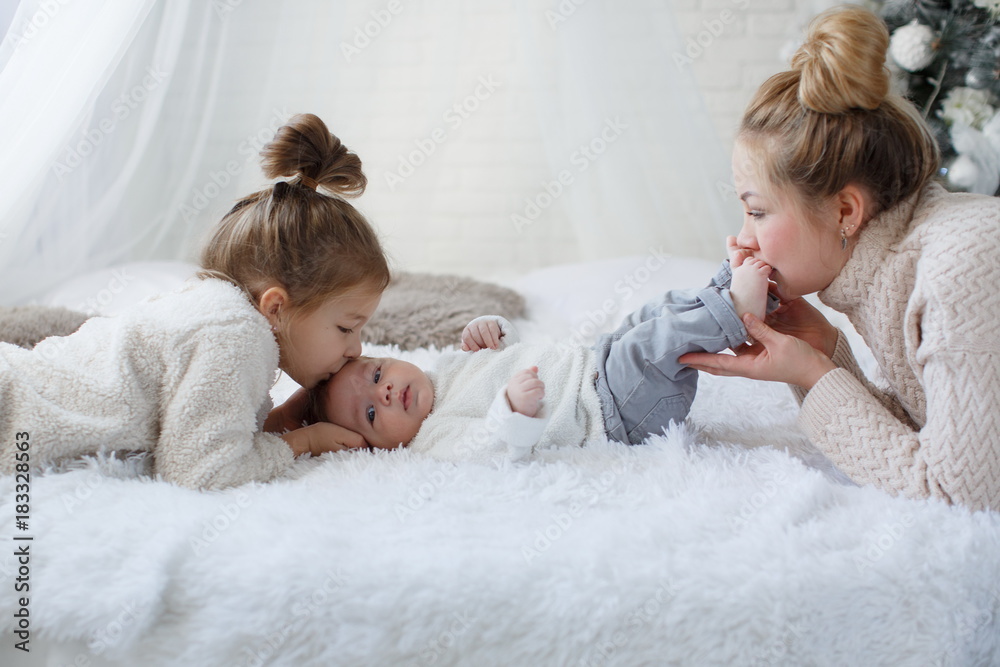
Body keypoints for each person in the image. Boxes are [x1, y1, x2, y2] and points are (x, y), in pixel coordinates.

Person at [679, 5, 1000, 512]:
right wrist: (824, 355)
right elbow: (931, 432)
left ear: (846, 211)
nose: (741, 242)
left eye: (757, 212)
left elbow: (960, 493)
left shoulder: (962, 263)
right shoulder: (890, 268)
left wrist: (813, 376)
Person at [0, 113, 388, 490]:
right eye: (345, 328)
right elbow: (202, 472)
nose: (355, 349)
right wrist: (302, 442)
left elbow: (204, 423)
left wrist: (278, 420)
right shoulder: (234, 336)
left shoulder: (221, 314)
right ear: (275, 307)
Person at [302, 248, 778, 460]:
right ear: (376, 446)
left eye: (377, 373)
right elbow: (488, 447)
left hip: (594, 363)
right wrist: (510, 410)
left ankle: (723, 287)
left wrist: (492, 333)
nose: (384, 392)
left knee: (651, 315)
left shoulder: (443, 370)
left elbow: (509, 359)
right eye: (369, 412)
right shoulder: (433, 439)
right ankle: (734, 312)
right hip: (616, 413)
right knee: (651, 345)